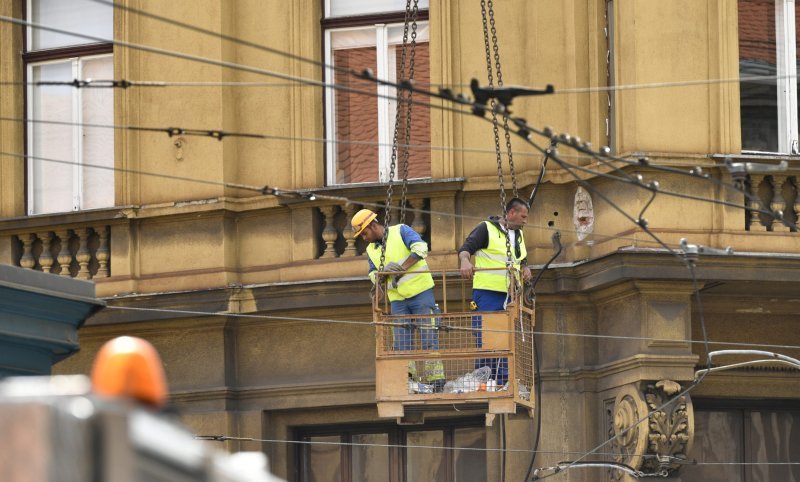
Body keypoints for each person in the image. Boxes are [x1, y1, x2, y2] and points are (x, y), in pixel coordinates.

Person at [351, 209, 445, 391]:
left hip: (420, 292)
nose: (363, 238)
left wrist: (400, 269)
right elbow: (372, 273)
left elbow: (421, 248)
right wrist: (382, 276)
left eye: (364, 232)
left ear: (373, 225)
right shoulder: (371, 250)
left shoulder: (401, 231)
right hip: (398, 300)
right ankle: (408, 380)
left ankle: (436, 380)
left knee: (428, 336)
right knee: (402, 342)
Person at [457, 198, 532, 385]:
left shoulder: (519, 236)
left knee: (503, 338)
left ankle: (500, 380)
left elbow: (519, 259)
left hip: (508, 295)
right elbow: (466, 249)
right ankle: (487, 378)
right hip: (487, 291)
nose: (525, 221)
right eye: (523, 216)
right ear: (511, 213)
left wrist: (525, 268)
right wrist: (465, 262)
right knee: (488, 335)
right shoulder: (486, 228)